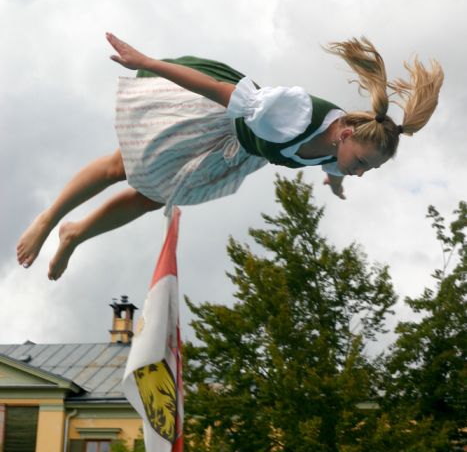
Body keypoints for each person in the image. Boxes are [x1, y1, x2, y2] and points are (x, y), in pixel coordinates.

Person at [17, 33, 444, 280]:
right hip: (213, 114)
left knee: (152, 196)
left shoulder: (339, 151)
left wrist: (335, 178)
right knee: (121, 167)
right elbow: (217, 92)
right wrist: (147, 62)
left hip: (234, 152)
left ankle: (76, 233)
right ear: (346, 133)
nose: (361, 173)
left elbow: (334, 164)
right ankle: (49, 219)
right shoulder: (291, 111)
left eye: (367, 169)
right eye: (363, 164)